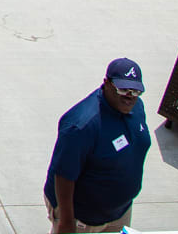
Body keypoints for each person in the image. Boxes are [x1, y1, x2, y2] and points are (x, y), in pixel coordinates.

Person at [45, 58, 152, 232]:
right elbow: (63, 175)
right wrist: (66, 221)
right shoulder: (81, 125)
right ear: (107, 84)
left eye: (135, 91)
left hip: (120, 213)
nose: (129, 97)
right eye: (123, 89)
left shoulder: (137, 107)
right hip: (81, 219)